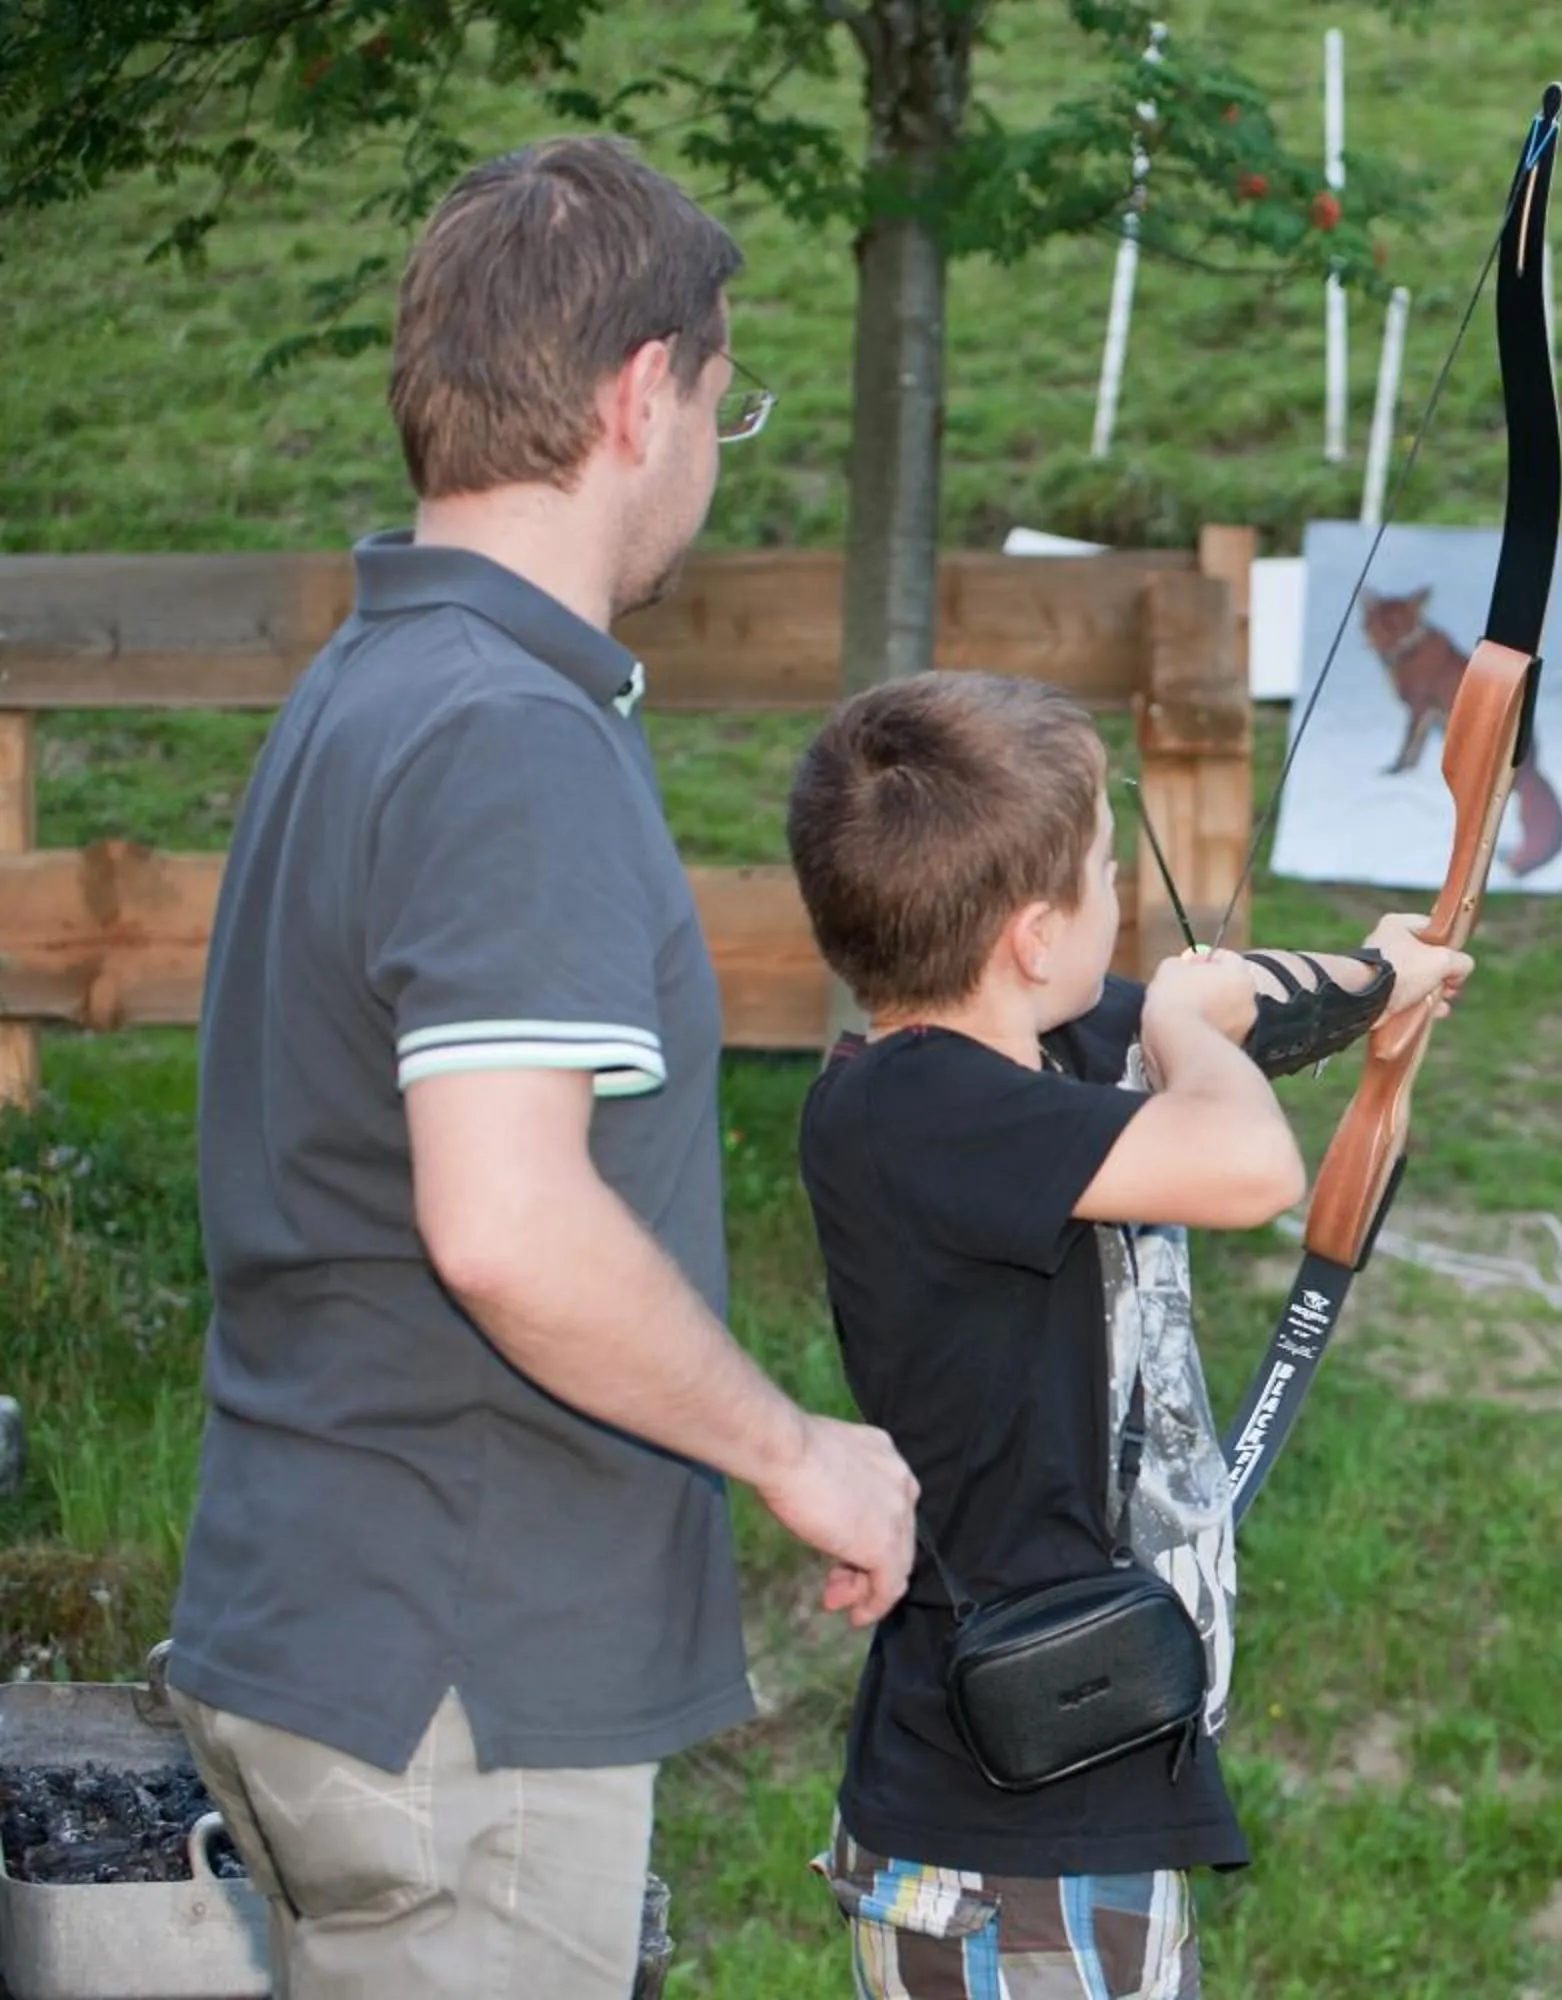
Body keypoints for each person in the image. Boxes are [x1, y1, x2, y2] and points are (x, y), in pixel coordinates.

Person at [162, 133, 920, 1997]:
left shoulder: (370, 687)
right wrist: (795, 1450)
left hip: (332, 1626)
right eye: (721, 411)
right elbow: (504, 1224)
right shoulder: (509, 736)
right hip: (454, 1691)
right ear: (640, 391)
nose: (708, 469)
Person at [782, 670, 1470, 1998]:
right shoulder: (910, 1117)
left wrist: (1384, 975)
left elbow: (1225, 1000)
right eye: (1108, 866)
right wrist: (1180, 1020)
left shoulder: (1028, 1052)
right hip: (1004, 1832)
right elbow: (1242, 1156)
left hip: (1064, 1774)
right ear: (1037, 937)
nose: (1123, 893)